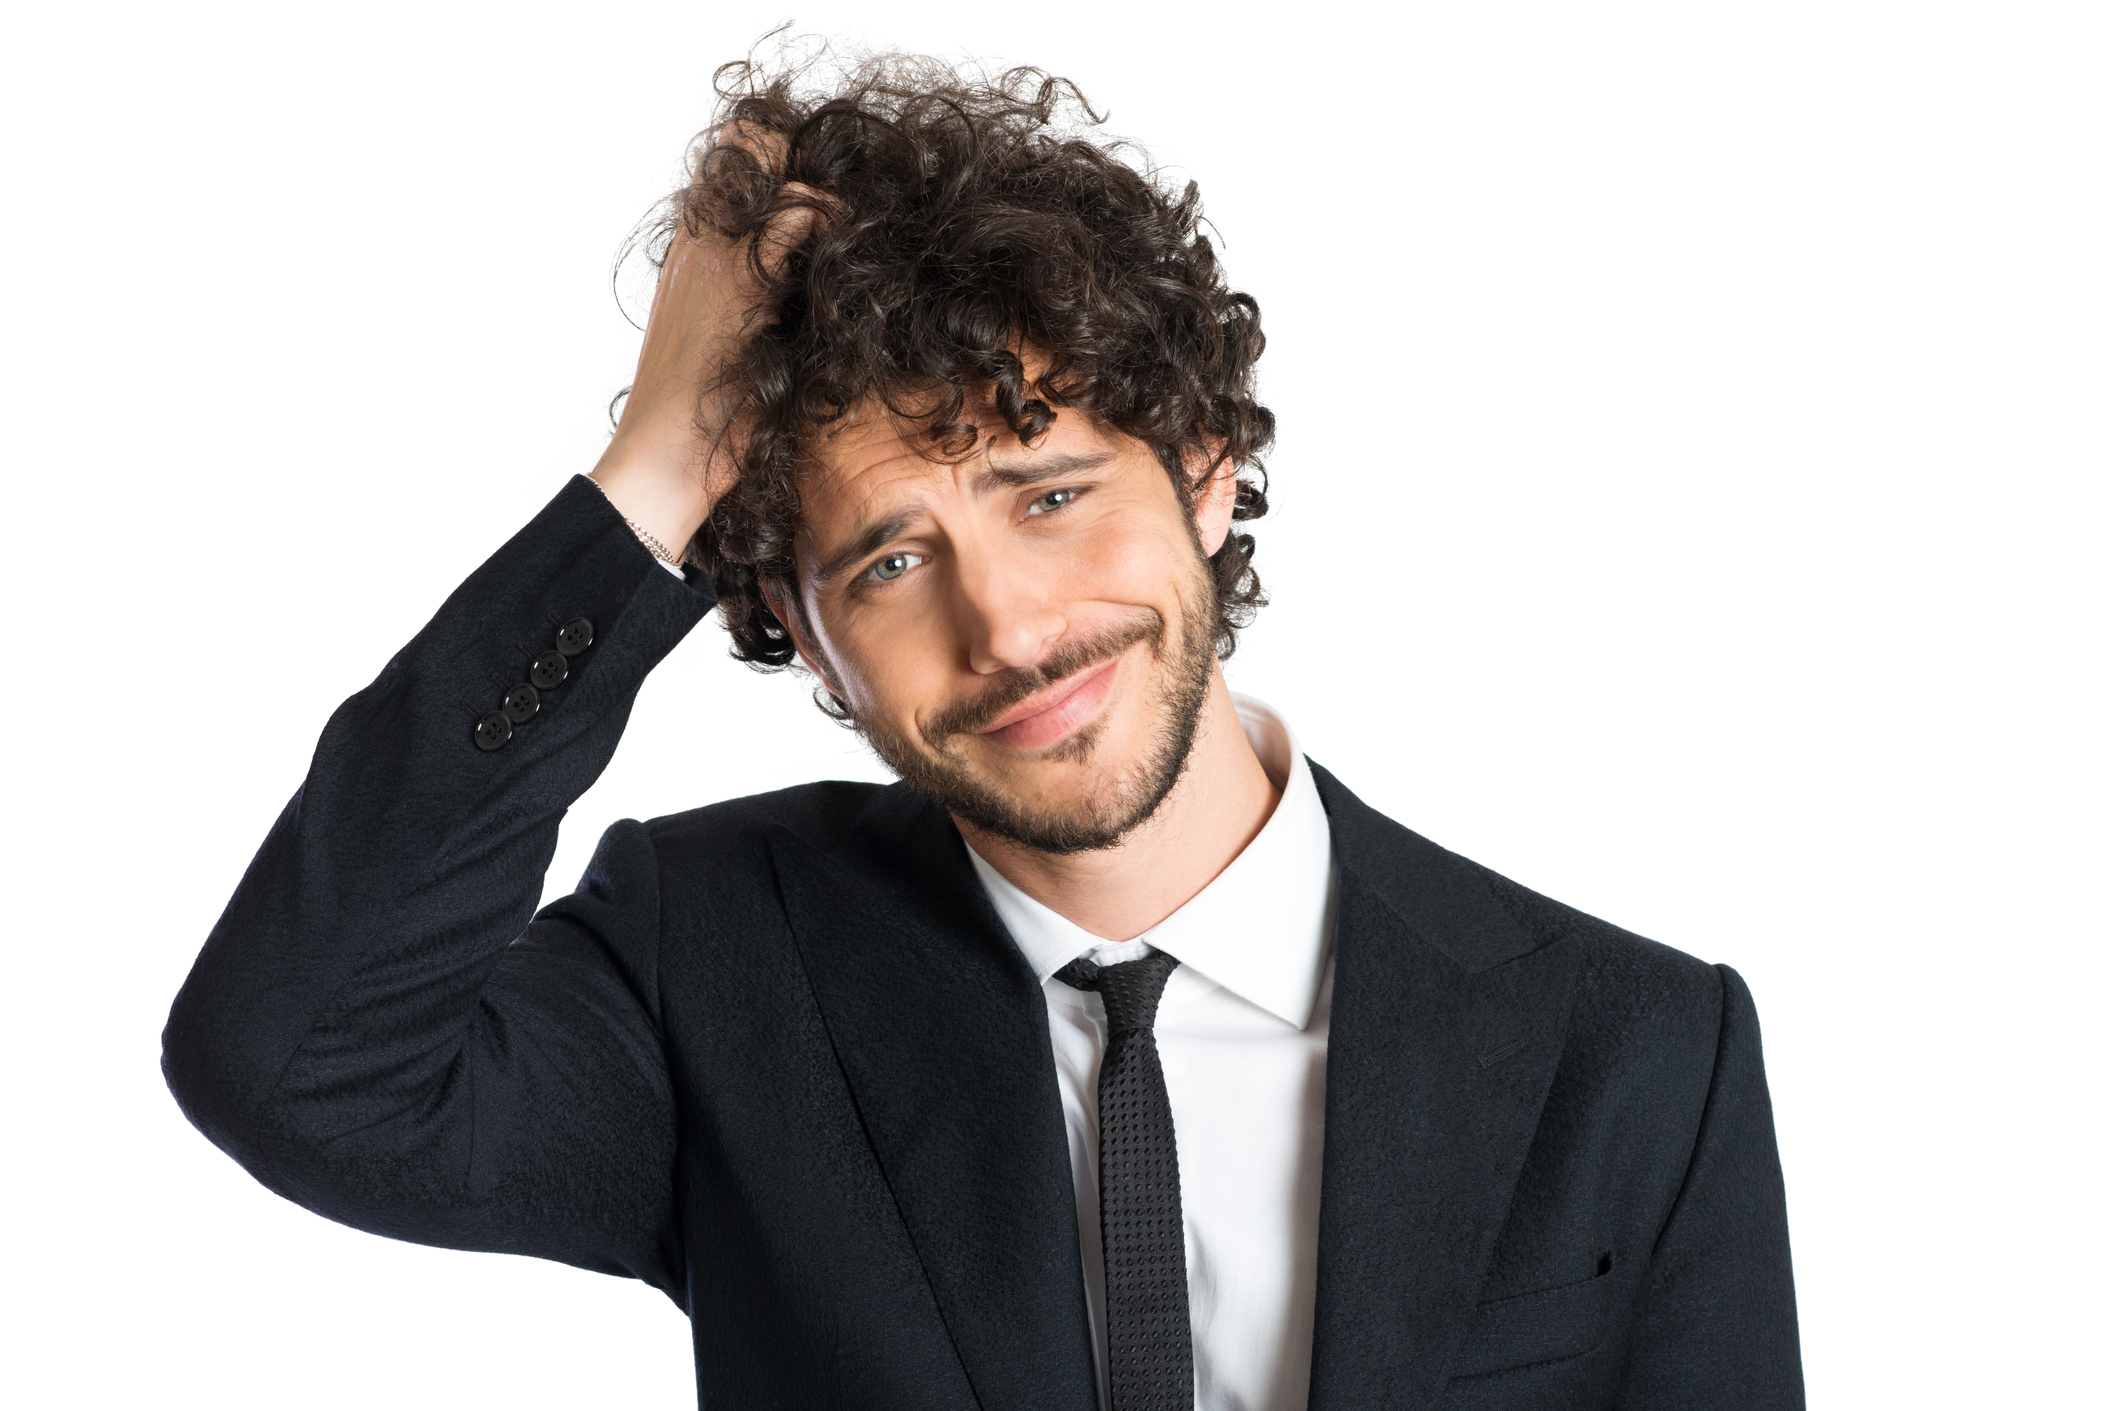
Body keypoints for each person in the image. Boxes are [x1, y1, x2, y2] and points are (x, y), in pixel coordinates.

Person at [163, 52, 1804, 1411]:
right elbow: (293, 1068)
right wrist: (653, 472)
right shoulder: (717, 965)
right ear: (801, 634)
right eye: (888, 561)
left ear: (1207, 466)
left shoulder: (1641, 1054)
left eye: (1049, 491)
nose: (1008, 627)